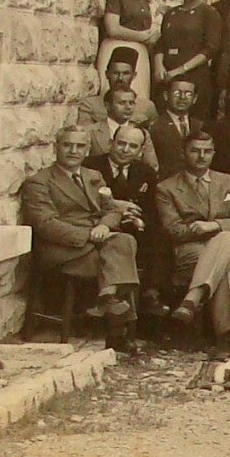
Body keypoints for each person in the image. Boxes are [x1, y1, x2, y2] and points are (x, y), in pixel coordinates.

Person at [22, 126, 141, 350]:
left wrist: (105, 226)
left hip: (97, 242)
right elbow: (46, 225)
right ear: (57, 148)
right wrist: (90, 235)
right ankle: (118, 328)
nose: (73, 151)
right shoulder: (40, 181)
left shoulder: (93, 176)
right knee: (120, 252)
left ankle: (107, 298)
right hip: (62, 249)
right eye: (67, 145)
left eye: (79, 146)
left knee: (125, 242)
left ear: (87, 150)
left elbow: (113, 209)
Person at [157, 131, 230, 347]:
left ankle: (192, 299)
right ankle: (226, 335)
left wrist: (215, 225)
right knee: (224, 261)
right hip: (191, 250)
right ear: (183, 153)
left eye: (207, 151)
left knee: (226, 238)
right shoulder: (166, 188)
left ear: (213, 154)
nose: (201, 156)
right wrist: (207, 232)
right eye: (195, 151)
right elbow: (173, 230)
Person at [84, 122, 167, 319]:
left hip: (135, 228)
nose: (125, 150)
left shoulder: (145, 172)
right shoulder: (91, 167)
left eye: (133, 146)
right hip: (101, 226)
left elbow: (150, 209)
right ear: (111, 143)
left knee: (160, 235)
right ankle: (121, 313)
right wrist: (118, 210)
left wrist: (138, 219)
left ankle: (150, 293)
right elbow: (86, 203)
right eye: (121, 144)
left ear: (140, 151)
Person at [153, 0, 222, 119]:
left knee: (194, 120)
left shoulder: (209, 13)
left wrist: (181, 69)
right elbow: (162, 43)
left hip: (194, 74)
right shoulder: (171, 13)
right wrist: (159, 66)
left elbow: (211, 49)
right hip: (168, 75)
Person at [99, 0, 162, 102]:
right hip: (117, 50)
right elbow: (112, 28)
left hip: (140, 53)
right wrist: (143, 36)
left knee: (138, 100)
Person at [76, 46, 160, 129]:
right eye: (115, 73)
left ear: (134, 75)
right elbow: (84, 135)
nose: (120, 78)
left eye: (126, 73)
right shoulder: (90, 105)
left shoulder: (147, 106)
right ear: (107, 74)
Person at [85, 86, 159, 171]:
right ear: (108, 105)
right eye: (122, 103)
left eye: (131, 103)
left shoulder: (141, 133)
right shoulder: (90, 131)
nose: (128, 107)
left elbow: (152, 167)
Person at [150, 79, 200, 181]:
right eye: (177, 93)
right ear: (166, 96)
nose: (182, 97)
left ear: (195, 98)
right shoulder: (153, 126)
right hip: (165, 184)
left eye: (188, 94)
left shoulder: (202, 126)